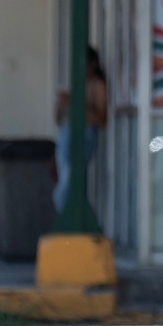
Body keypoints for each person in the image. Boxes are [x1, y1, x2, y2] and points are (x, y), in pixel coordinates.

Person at [53, 46, 108, 213]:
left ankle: (72, 222)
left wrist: (75, 101)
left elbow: (101, 120)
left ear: (92, 64)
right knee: (67, 182)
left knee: (66, 187)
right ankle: (74, 221)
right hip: (65, 135)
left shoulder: (97, 85)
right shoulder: (77, 84)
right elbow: (58, 120)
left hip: (84, 135)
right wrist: (60, 105)